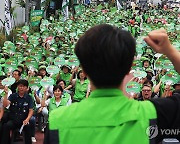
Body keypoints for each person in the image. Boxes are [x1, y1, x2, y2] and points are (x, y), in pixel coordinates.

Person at [45, 25, 180, 144]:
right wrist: (170, 51)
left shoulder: (57, 121)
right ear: (129, 69)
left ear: (84, 71)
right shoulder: (151, 115)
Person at [2, 79, 33, 144]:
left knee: (28, 127)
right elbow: (5, 105)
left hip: (24, 121)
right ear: (17, 87)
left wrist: (27, 119)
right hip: (14, 120)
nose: (21, 88)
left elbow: (31, 110)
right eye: (20, 86)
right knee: (6, 126)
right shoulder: (13, 96)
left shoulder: (29, 98)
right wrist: (6, 94)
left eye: (23, 86)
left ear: (27, 88)